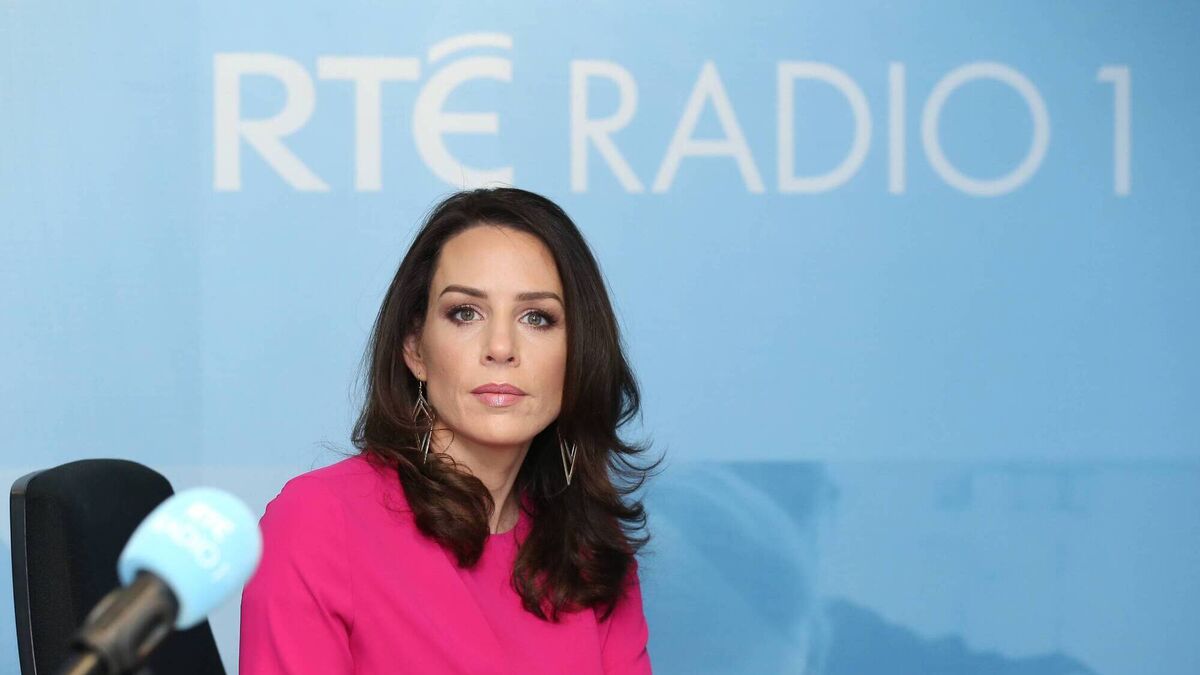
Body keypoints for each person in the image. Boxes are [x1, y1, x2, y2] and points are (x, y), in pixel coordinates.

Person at [238, 187, 662, 674]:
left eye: (536, 318)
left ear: (579, 355)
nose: (500, 347)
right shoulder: (319, 523)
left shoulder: (593, 553)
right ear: (415, 347)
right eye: (465, 313)